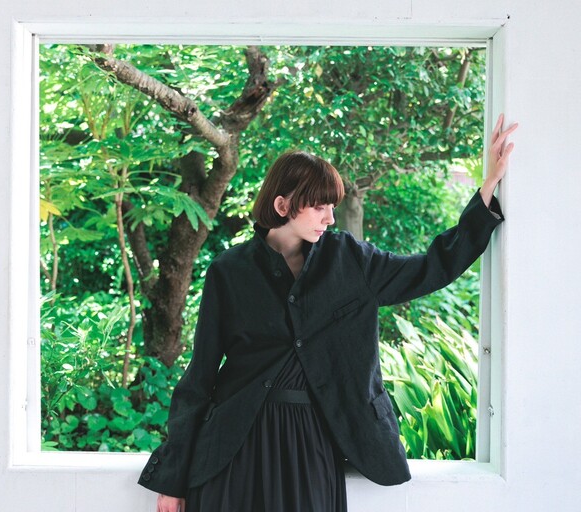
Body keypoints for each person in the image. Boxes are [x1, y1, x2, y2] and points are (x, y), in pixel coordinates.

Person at [139, 114, 518, 512]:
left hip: (313, 444)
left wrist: (487, 188)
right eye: (319, 206)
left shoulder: (351, 260)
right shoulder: (229, 271)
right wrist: (173, 480)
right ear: (282, 205)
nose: (330, 218)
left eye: (332, 206)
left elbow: (432, 268)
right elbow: (199, 377)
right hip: (236, 446)